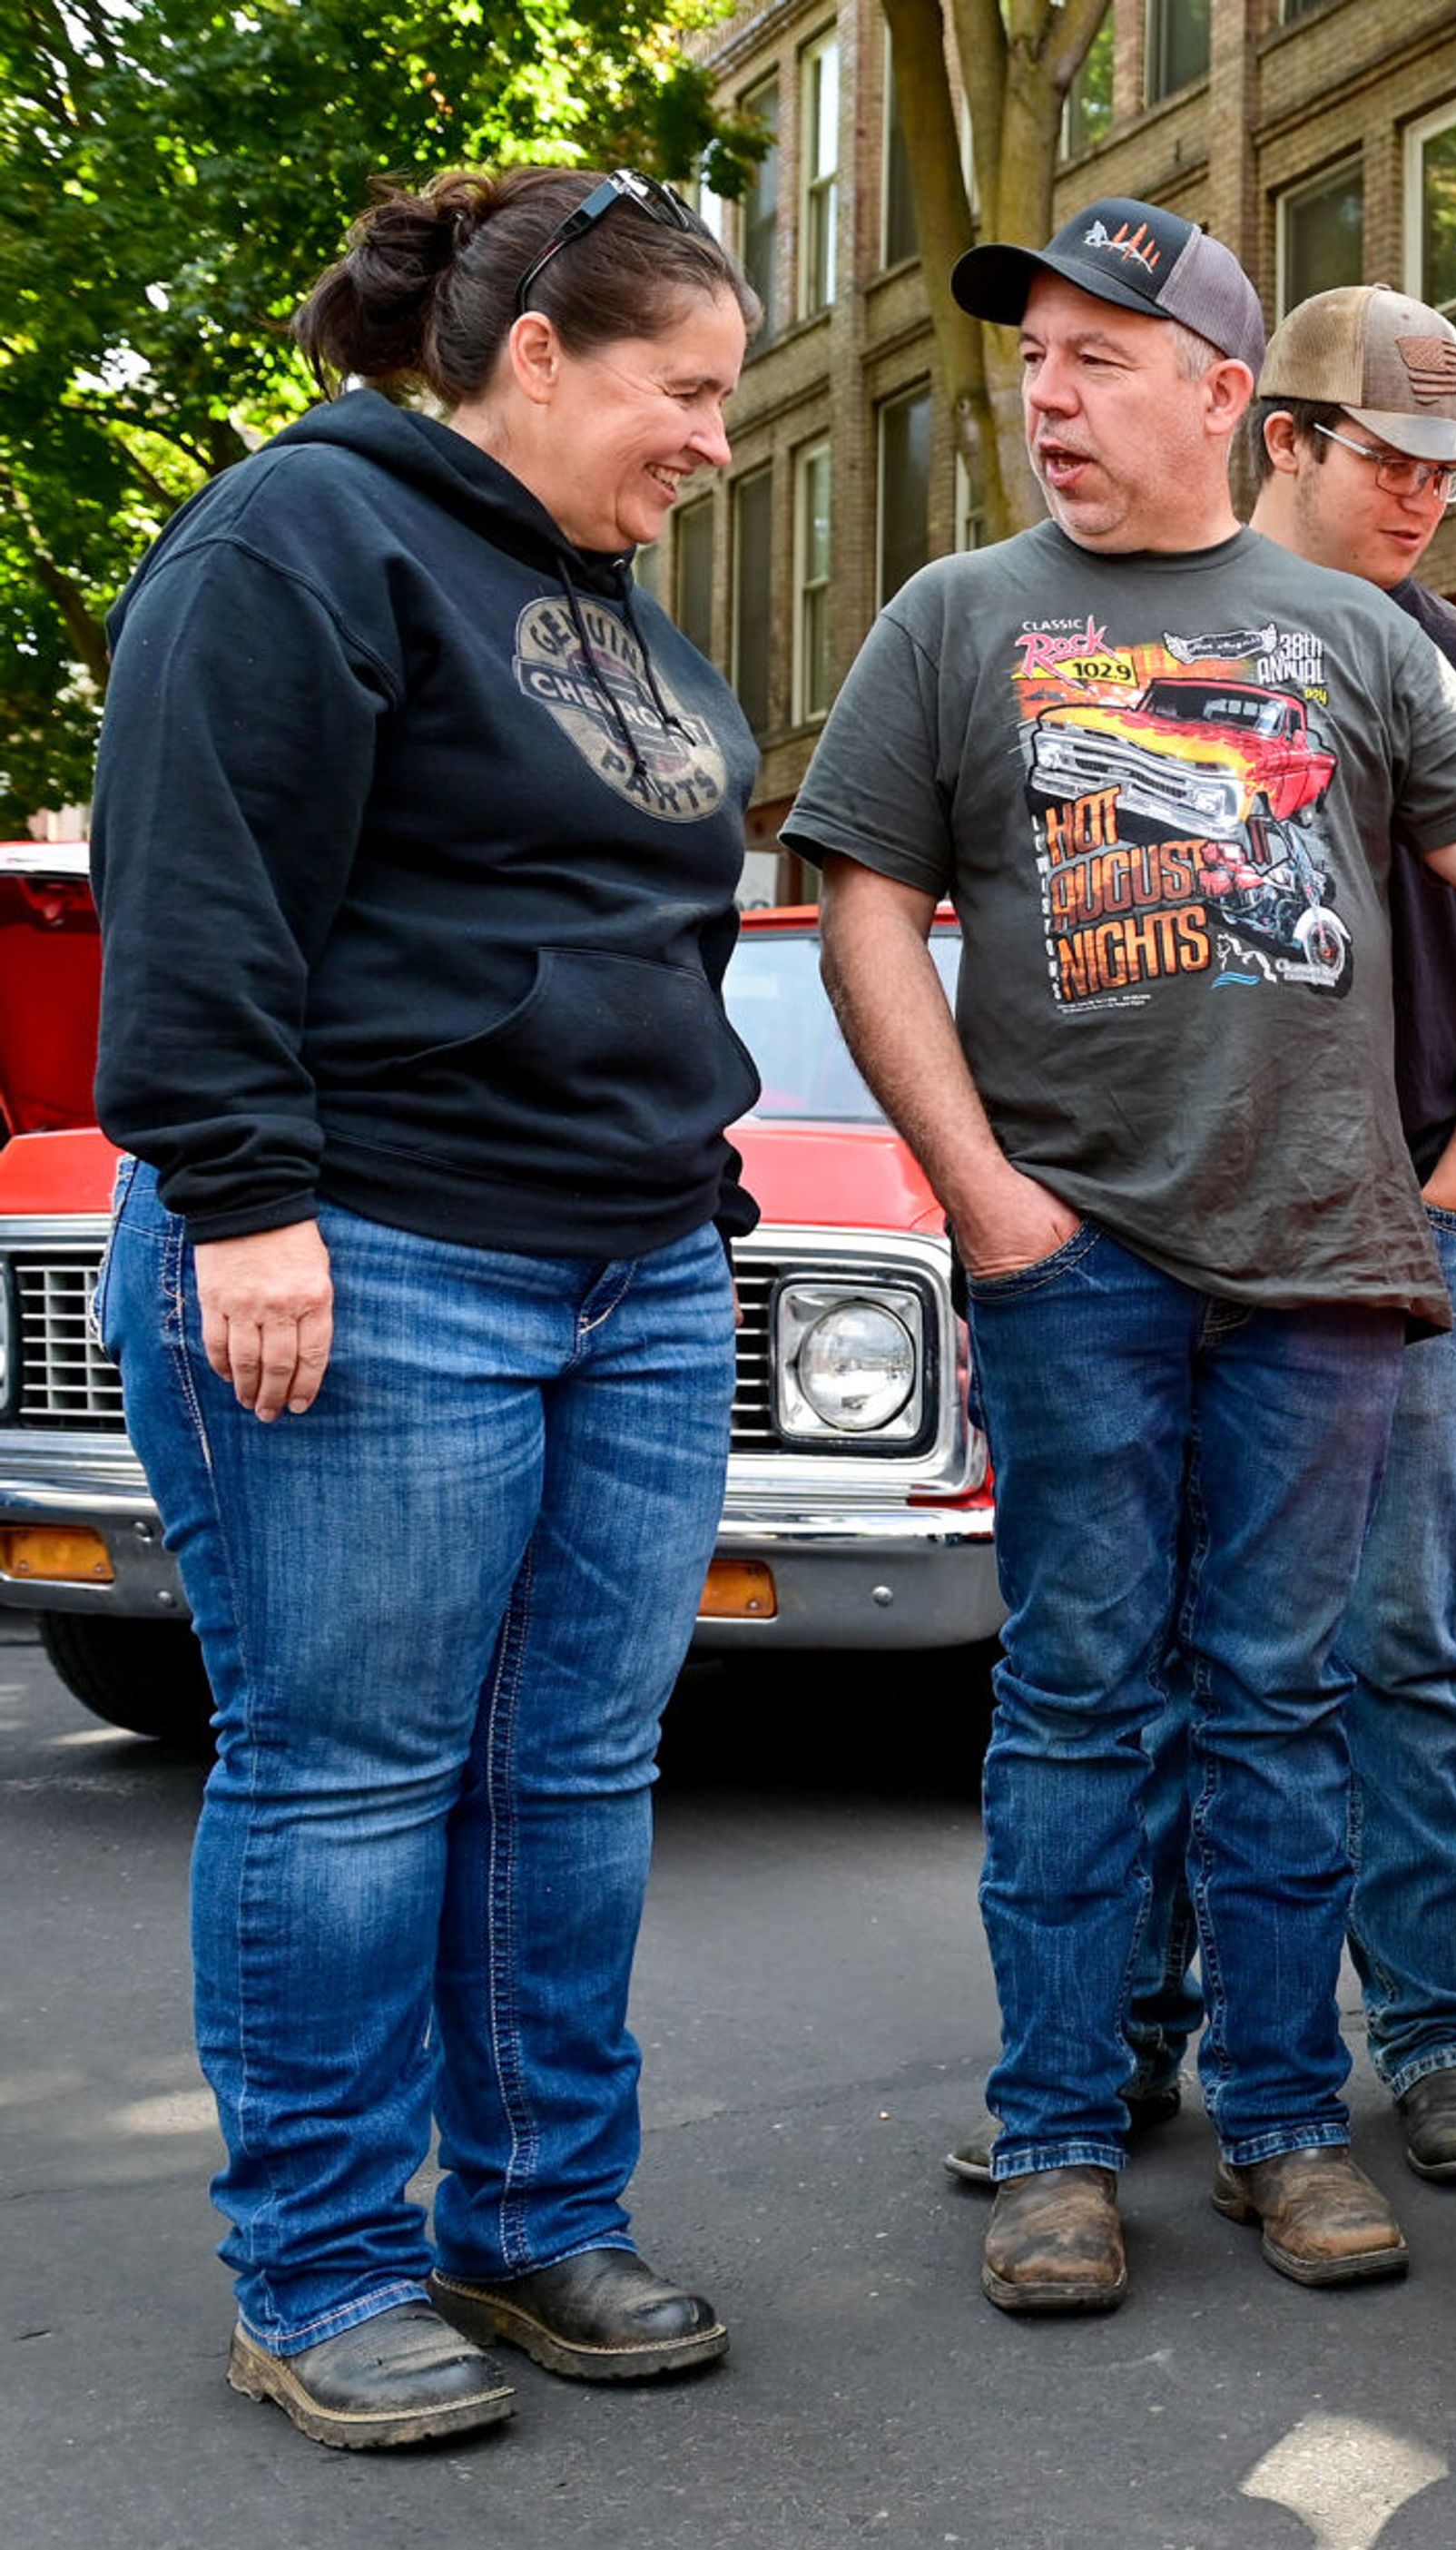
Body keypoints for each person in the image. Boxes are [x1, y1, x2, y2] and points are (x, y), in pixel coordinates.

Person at [791, 198, 1456, 2309]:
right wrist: (983, 1195)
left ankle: (1291, 2130)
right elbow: (861, 918)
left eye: (1101, 360)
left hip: (1327, 1269)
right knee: (1083, 1696)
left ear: (1218, 390)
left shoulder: (1361, 639)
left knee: (1284, 1702)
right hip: (1077, 1258)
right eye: (1035, 364)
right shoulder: (950, 619)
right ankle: (1057, 2138)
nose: (1052, 398)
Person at [87, 166, 761, 2451]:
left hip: (633, 1267)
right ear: (537, 354)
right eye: (684, 390)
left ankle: (535, 2214)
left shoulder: (617, 611)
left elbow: (641, 939)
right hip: (369, 1252)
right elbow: (193, 897)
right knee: (353, 1776)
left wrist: (700, 1175)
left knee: (568, 1774)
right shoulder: (299, 540)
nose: (714, 441)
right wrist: (248, 1201)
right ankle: (325, 2262)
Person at [936, 281, 1456, 2193]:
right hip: (1145, 1239)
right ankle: (1117, 2045)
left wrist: (1454, 1186)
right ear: (1276, 434)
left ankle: (1444, 2033)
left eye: (1451, 473)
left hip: (1382, 1235)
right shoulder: (1081, 630)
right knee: (1117, 1657)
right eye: (1393, 459)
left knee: (1384, 1643)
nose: (1427, 501)